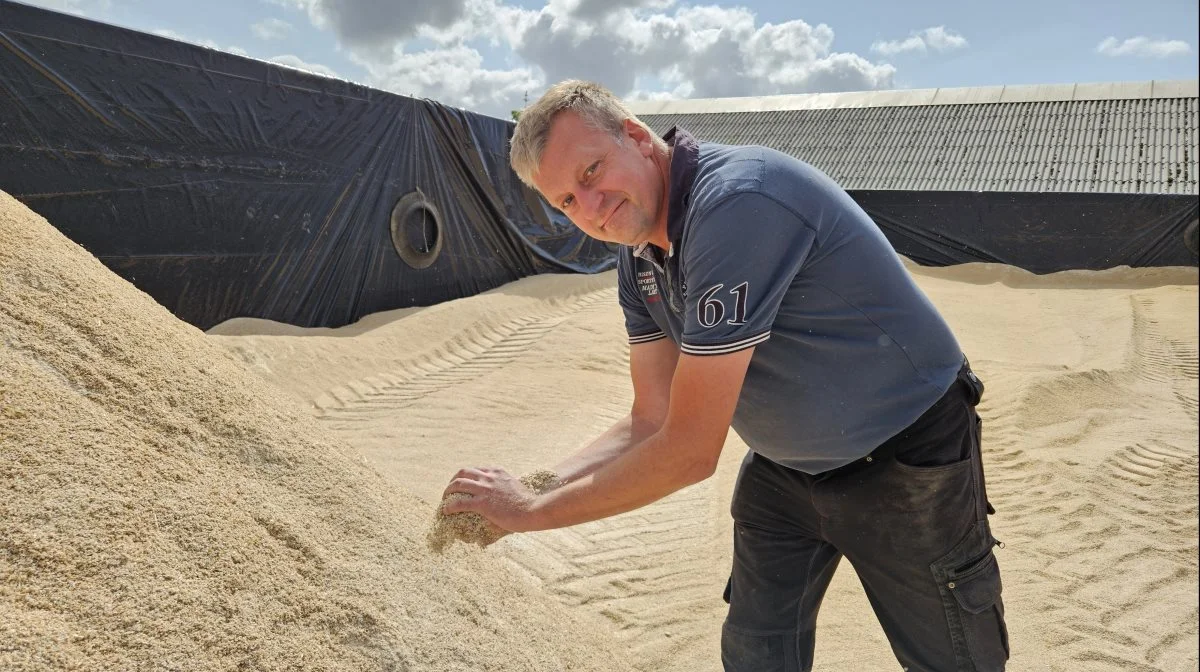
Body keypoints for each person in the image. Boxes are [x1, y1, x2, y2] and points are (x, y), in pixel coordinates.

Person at [441, 79, 1009, 672]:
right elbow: (650, 418)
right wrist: (534, 485)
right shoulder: (640, 259)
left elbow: (689, 451)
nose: (591, 208)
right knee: (757, 649)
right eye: (566, 203)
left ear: (636, 137)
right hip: (784, 465)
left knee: (955, 656)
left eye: (591, 173)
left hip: (905, 452)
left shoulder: (738, 203)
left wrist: (530, 515)